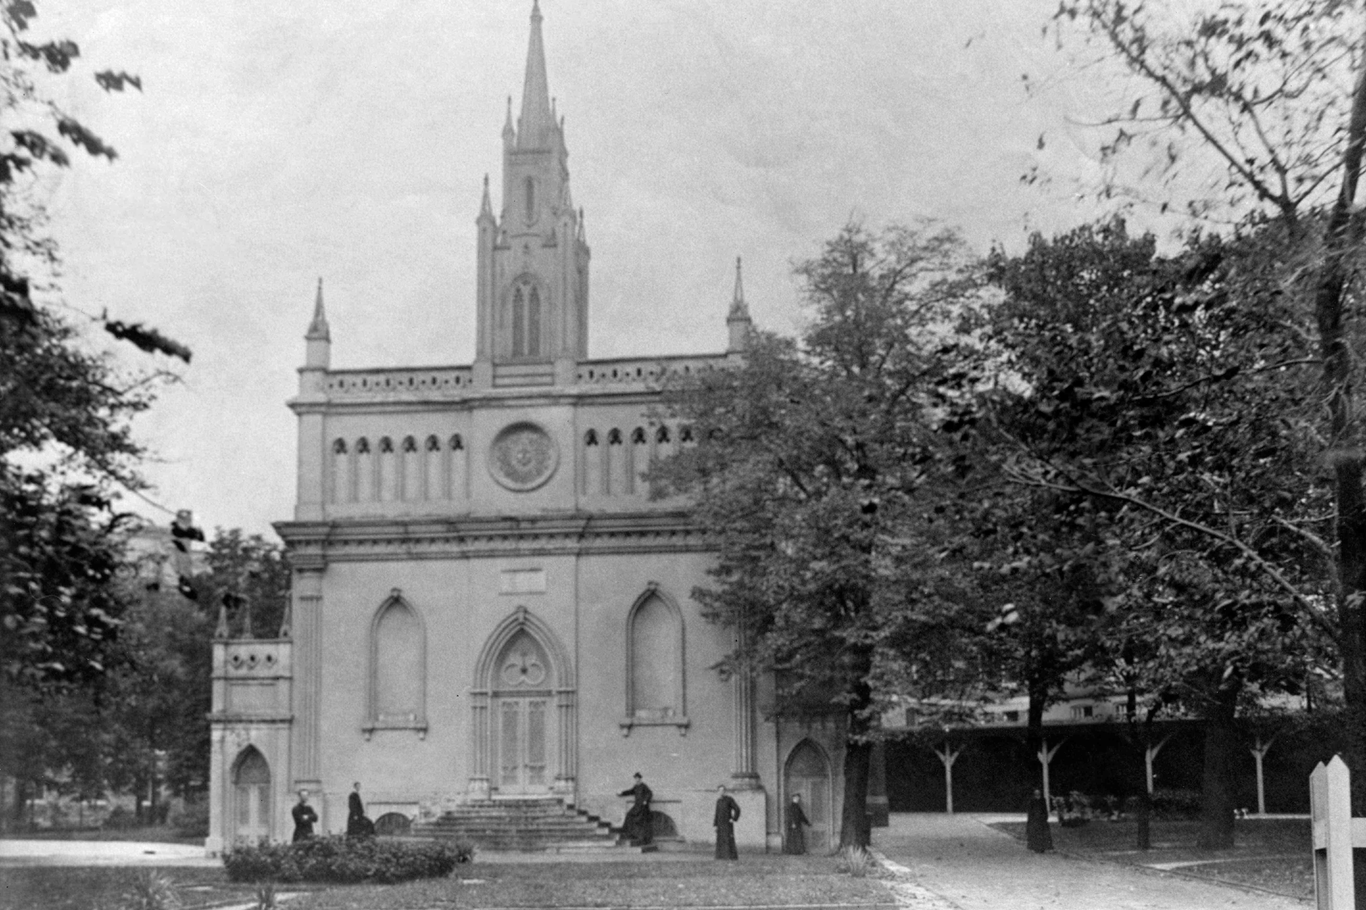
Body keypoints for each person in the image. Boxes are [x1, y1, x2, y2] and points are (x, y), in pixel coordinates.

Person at [617, 772, 653, 846]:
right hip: (637, 806)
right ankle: (630, 834)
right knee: (629, 815)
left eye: (638, 778)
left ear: (640, 779)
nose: (636, 780)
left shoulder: (644, 786)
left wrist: (646, 800)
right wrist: (622, 793)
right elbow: (630, 791)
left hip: (643, 807)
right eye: (635, 778)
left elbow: (650, 793)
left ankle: (642, 839)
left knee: (641, 822)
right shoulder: (636, 787)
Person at [713, 784, 740, 860]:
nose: (721, 792)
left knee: (728, 839)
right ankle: (721, 856)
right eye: (720, 791)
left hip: (727, 824)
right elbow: (717, 813)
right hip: (720, 824)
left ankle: (730, 856)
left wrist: (733, 819)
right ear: (718, 792)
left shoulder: (729, 799)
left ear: (725, 791)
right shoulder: (718, 801)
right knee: (720, 840)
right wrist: (715, 825)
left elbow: (737, 809)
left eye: (723, 790)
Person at [1025, 787, 1053, 853]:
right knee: (1035, 833)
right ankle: (1035, 847)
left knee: (1043, 834)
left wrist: (1045, 817)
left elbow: (1045, 809)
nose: (1037, 794)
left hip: (1042, 819)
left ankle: (1043, 847)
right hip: (1034, 819)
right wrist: (1031, 819)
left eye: (1038, 793)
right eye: (1036, 793)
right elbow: (1030, 810)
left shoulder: (1043, 800)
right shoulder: (1032, 800)